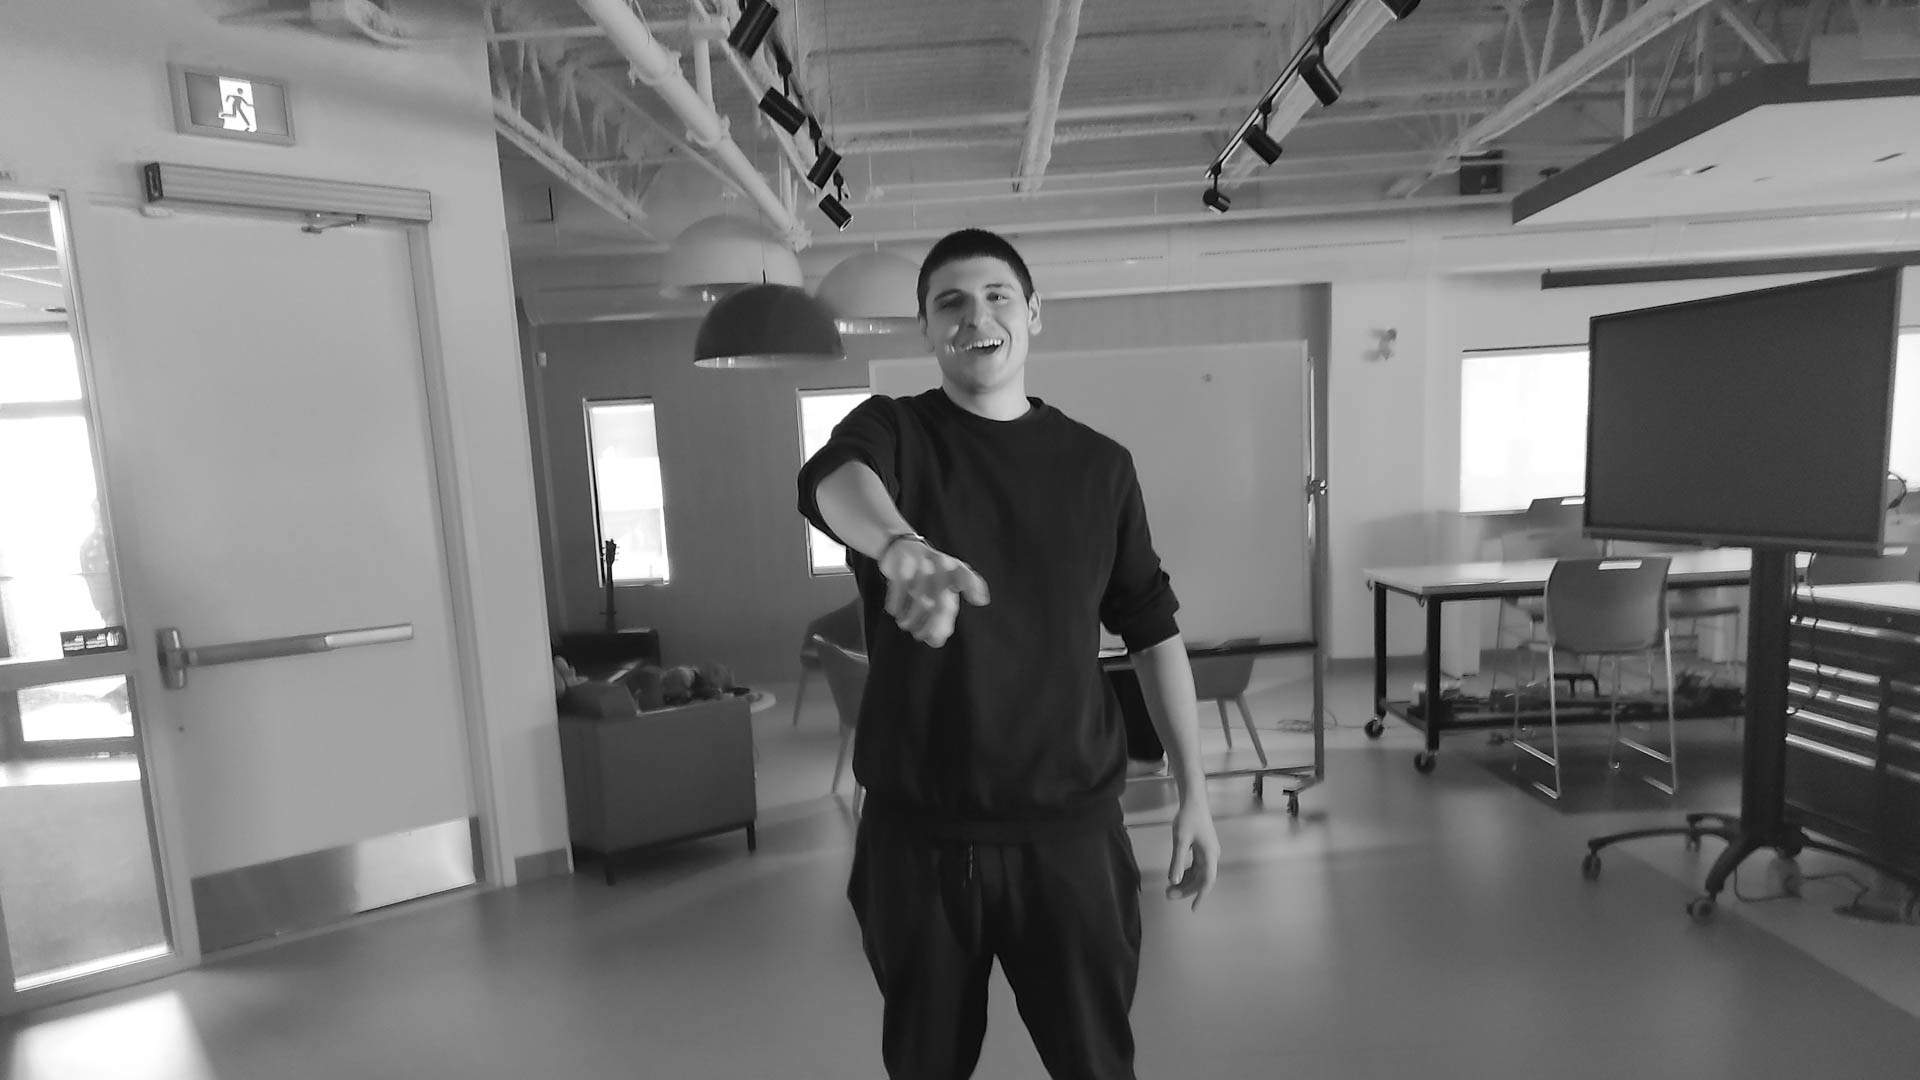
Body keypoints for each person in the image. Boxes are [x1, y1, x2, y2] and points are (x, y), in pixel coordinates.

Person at [796, 228, 1220, 1079]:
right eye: (949, 302)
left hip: (1070, 838)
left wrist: (1195, 794)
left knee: (1096, 1065)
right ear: (926, 328)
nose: (975, 317)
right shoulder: (895, 433)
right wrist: (901, 546)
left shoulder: (1099, 467)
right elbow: (830, 480)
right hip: (918, 840)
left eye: (996, 296)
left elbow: (1152, 631)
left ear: (1033, 314)